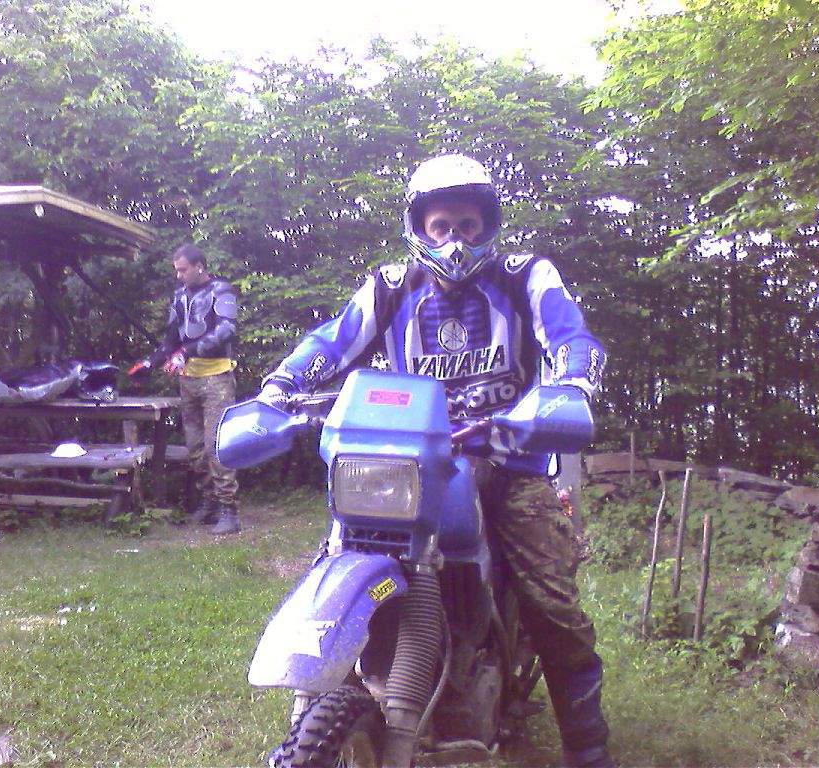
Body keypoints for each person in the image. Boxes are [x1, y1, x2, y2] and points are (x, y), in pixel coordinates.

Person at [257, 154, 613, 767]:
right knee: (338, 556)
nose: (455, 239)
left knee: (552, 605)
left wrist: (574, 385)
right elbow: (332, 340)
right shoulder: (391, 287)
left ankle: (589, 748)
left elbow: (570, 337)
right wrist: (277, 390)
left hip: (510, 462)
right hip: (409, 464)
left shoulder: (525, 276)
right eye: (442, 225)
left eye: (468, 225)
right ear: (419, 227)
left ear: (488, 225)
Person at [133, 244, 240, 535]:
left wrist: (187, 352)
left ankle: (228, 509)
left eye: (183, 270)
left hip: (217, 377)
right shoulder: (179, 296)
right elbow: (170, 341)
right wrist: (148, 364)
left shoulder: (221, 290)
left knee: (216, 446)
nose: (178, 275)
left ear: (198, 267)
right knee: (195, 448)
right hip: (188, 379)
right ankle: (209, 501)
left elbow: (227, 330)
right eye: (176, 270)